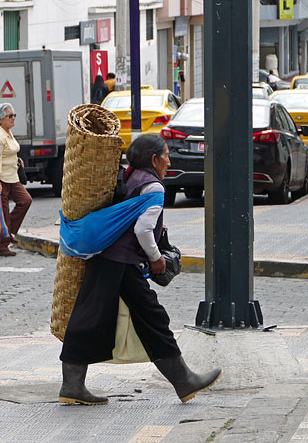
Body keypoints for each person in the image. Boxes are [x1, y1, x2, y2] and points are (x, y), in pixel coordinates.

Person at [58, 134, 222, 406]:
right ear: (154, 159)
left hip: (111, 259)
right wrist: (156, 259)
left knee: (133, 316)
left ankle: (182, 381)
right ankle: (73, 385)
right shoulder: (154, 188)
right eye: (166, 155)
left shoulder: (130, 176)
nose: (169, 161)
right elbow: (143, 229)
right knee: (111, 317)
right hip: (118, 262)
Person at [0, 103, 32, 257]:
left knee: (25, 200)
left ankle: (7, 233)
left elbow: (7, 152)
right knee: (2, 212)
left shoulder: (7, 132)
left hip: (11, 176)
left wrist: (16, 159)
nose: (13, 118)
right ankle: (0, 246)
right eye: (9, 116)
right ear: (0, 119)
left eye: (14, 115)